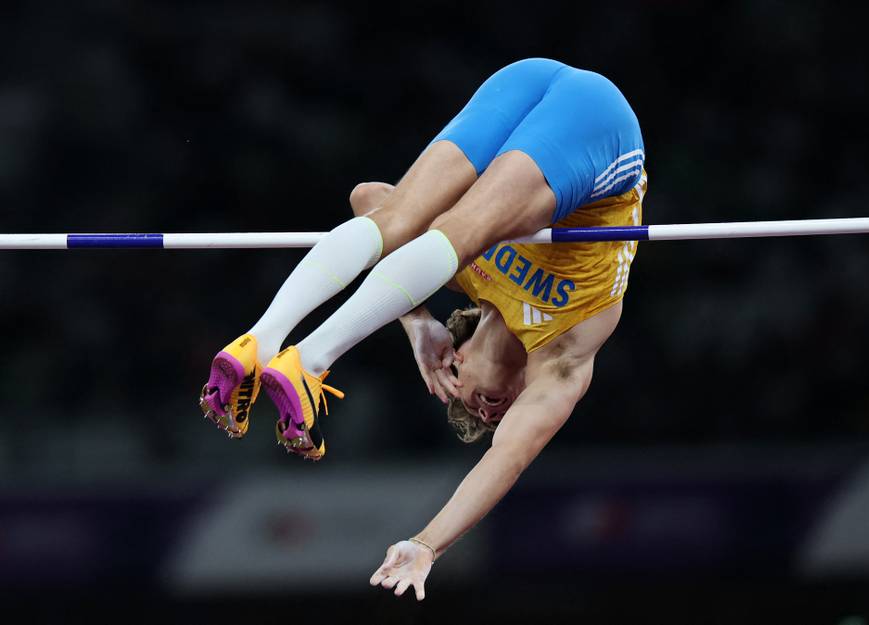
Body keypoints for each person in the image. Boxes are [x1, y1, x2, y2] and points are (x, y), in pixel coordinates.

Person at [198, 57, 645, 600]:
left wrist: (415, 320)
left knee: (409, 224)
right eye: (491, 413)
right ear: (454, 355)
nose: (490, 412)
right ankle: (299, 355)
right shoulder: (562, 355)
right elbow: (509, 454)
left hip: (544, 99)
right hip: (597, 129)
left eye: (474, 408)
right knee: (444, 229)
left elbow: (368, 198)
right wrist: (430, 545)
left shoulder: (465, 284)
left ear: (454, 359)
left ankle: (263, 340)